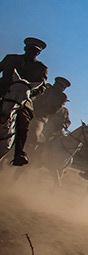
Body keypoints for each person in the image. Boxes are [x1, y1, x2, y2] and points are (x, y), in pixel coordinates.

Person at [0, 37, 49, 165]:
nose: (31, 52)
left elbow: (42, 87)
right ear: (25, 49)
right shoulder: (10, 59)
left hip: (22, 99)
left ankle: (19, 153)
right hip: (2, 92)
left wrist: (27, 91)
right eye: (30, 49)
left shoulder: (41, 68)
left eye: (35, 51)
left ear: (38, 53)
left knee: (23, 120)